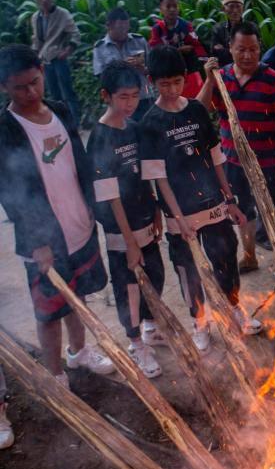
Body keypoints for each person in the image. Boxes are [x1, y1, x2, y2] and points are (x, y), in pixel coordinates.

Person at [0, 45, 114, 383]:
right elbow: (10, 194)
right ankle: (55, 374)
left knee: (77, 296)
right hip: (43, 240)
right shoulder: (5, 130)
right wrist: (38, 242)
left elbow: (80, 163)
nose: (30, 92)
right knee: (49, 310)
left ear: (43, 72)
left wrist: (96, 209)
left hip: (78, 223)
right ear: (4, 87)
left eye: (35, 82)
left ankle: (79, 352)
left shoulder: (61, 111)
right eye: (20, 87)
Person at [140, 47, 261, 350]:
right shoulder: (150, 123)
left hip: (214, 204)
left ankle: (233, 308)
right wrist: (178, 218)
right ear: (152, 82)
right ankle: (200, 322)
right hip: (180, 213)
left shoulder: (196, 110)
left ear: (186, 78)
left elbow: (216, 157)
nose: (172, 90)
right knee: (188, 269)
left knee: (225, 256)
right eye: (164, 84)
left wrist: (229, 199)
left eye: (177, 82)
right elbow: (159, 178)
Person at [87, 62, 166, 378]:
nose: (130, 103)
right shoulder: (100, 137)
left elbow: (145, 175)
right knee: (129, 287)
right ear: (106, 95)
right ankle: (135, 344)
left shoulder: (134, 128)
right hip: (122, 231)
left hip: (145, 218)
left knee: (156, 275)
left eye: (134, 96)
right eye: (123, 97)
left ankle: (150, 328)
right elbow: (109, 195)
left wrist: (156, 209)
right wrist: (130, 242)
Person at [198, 22, 275, 271]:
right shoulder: (221, 77)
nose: (247, 55)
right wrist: (209, 79)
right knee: (242, 210)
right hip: (232, 161)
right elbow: (199, 110)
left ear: (260, 49)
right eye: (241, 49)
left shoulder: (273, 80)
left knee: (272, 213)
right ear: (230, 48)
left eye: (253, 49)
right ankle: (249, 256)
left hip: (266, 162)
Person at [30, 0, 82, 126]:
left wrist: (68, 50)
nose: (45, 0)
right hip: (45, 60)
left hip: (59, 58)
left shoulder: (62, 14)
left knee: (67, 92)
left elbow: (75, 34)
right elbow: (36, 40)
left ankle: (75, 124)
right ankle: (60, 124)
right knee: (54, 95)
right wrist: (35, 59)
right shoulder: (36, 17)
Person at [92, 8, 154, 120]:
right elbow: (101, 77)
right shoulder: (100, 48)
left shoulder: (139, 41)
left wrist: (142, 68)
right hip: (119, 100)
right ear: (109, 26)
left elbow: (153, 69)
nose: (124, 32)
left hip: (143, 96)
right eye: (120, 28)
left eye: (126, 27)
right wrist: (121, 66)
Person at [148, 0, 205, 75]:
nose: (172, 9)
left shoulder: (186, 26)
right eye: (168, 7)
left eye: (175, 6)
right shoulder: (157, 29)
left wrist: (191, 48)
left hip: (187, 67)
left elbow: (197, 46)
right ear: (161, 9)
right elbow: (155, 52)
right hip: (166, 70)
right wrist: (177, 50)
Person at [209, 0, 244, 67]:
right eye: (231, 6)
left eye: (238, 6)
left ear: (243, 9)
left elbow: (254, 52)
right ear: (224, 9)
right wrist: (239, 51)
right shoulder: (218, 29)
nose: (235, 10)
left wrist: (224, 50)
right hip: (224, 68)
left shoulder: (250, 28)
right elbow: (214, 53)